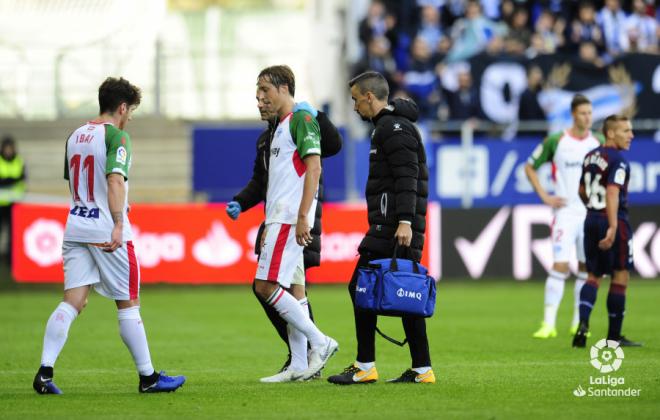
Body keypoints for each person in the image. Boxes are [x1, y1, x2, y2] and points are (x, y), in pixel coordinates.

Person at [32, 77, 186, 395]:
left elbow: (74, 182)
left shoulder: (74, 135)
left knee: (73, 301)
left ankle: (44, 372)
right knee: (128, 303)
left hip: (76, 224)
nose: (130, 118)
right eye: (130, 111)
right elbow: (115, 180)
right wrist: (117, 222)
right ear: (122, 107)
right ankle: (148, 377)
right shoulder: (117, 137)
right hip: (106, 229)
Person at [226, 89, 342, 379]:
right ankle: (300, 364)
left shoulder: (301, 121)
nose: (259, 101)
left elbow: (330, 147)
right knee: (294, 288)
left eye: (264, 93)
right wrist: (241, 201)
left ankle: (320, 343)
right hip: (278, 217)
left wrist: (319, 116)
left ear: (282, 91)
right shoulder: (268, 138)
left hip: (294, 218)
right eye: (256, 96)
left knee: (266, 287)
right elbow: (261, 182)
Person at [328, 71, 434, 385]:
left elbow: (407, 177)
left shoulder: (393, 128)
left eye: (355, 100)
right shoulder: (388, 127)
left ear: (369, 97)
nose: (355, 106)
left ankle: (365, 366)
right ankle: (421, 369)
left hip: (393, 226)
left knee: (364, 287)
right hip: (390, 223)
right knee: (402, 291)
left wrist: (404, 221)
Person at [525, 94, 603, 339]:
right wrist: (545, 196)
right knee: (560, 265)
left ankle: (578, 322)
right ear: (573, 115)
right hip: (565, 214)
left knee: (584, 268)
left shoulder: (598, 141)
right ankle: (548, 324)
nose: (587, 117)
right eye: (583, 113)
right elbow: (529, 166)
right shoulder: (556, 140)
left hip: (590, 215)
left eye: (590, 113)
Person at [573, 114, 641, 348]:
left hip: (591, 217)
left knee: (593, 276)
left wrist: (593, 209)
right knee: (620, 274)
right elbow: (612, 192)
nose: (631, 135)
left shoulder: (590, 156)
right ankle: (614, 337)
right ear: (611, 133)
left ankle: (583, 324)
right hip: (614, 219)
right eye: (625, 131)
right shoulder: (618, 160)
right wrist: (612, 226)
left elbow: (582, 190)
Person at [0, 135, 26, 264]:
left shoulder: (19, 161)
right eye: (7, 148)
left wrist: (6, 180)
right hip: (1, 204)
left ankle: (11, 258)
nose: (8, 151)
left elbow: (22, 178)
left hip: (14, 204)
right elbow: (15, 179)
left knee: (12, 233)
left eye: (10, 148)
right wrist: (11, 180)